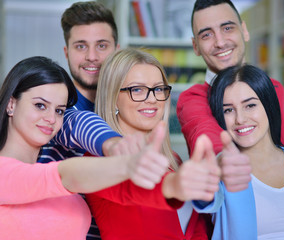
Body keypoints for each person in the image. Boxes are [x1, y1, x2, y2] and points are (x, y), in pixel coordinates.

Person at [0, 56, 172, 240]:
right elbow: (65, 174)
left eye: (59, 110)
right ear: (11, 104)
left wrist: (175, 186)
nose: (51, 118)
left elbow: (77, 121)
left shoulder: (60, 156)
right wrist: (124, 160)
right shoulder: (49, 174)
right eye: (40, 105)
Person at [85, 48, 223, 239]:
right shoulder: (99, 160)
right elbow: (142, 191)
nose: (152, 99)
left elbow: (197, 228)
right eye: (137, 90)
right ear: (113, 98)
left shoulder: (173, 160)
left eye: (158, 89)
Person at [193, 64, 284, 239]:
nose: (240, 119)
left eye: (250, 105)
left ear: (268, 104)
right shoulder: (225, 167)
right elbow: (204, 199)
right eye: (228, 110)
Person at [37, 3, 121, 238]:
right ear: (66, 52)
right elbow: (77, 123)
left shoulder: (130, 109)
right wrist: (114, 144)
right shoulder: (55, 113)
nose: (92, 57)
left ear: (118, 49)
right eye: (81, 46)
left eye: (102, 45)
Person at [176, 0, 284, 157]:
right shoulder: (192, 99)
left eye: (227, 28)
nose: (220, 43)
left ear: (244, 31)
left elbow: (279, 149)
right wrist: (224, 161)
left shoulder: (274, 88)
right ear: (196, 46)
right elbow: (207, 140)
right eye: (206, 35)